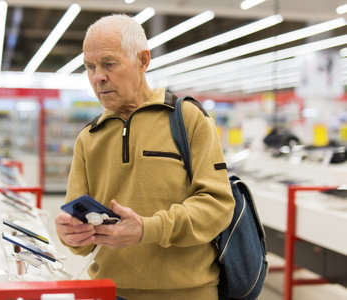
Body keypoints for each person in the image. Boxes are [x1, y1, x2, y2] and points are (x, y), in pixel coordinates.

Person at [54, 14, 235, 300]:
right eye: (90, 67)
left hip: (187, 293)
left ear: (142, 61)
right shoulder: (88, 138)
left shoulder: (188, 119)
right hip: (110, 292)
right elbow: (82, 238)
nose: (98, 76)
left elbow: (218, 206)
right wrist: (73, 235)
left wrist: (147, 229)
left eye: (109, 64)